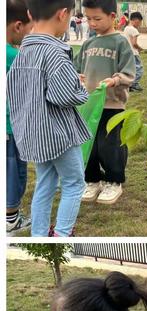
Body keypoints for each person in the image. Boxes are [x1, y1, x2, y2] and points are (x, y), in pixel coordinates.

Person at [7, 0, 90, 237]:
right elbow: (64, 95)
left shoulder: (23, 52)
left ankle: (40, 234)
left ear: (31, 14)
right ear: (64, 14)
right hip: (57, 135)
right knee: (74, 184)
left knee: (45, 184)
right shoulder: (54, 52)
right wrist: (79, 87)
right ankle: (62, 235)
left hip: (33, 134)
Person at [75, 0, 136, 205]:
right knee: (88, 144)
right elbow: (77, 67)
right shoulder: (87, 43)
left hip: (112, 105)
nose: (92, 23)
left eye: (97, 18)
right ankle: (92, 179)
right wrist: (78, 76)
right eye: (88, 18)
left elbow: (129, 73)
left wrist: (115, 80)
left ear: (112, 17)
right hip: (89, 105)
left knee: (110, 145)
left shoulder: (121, 42)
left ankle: (114, 181)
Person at [6, 0, 32, 236]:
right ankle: (11, 220)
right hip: (11, 126)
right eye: (28, 29)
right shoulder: (13, 55)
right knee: (14, 173)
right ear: (17, 26)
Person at [124, 11, 144, 92]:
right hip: (134, 53)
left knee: (131, 70)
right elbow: (134, 43)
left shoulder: (126, 28)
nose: (139, 24)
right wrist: (140, 48)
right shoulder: (134, 30)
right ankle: (134, 84)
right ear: (136, 20)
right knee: (139, 69)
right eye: (140, 23)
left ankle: (129, 84)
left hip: (127, 53)